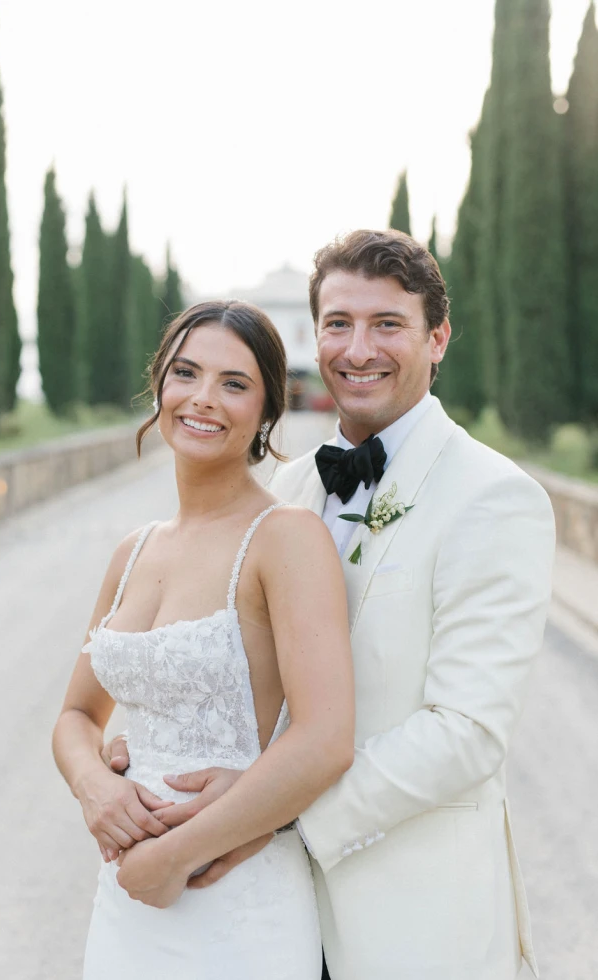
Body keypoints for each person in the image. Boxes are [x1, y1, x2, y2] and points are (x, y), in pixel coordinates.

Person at [105, 230, 556, 980]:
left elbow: (466, 734)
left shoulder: (494, 498)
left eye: (388, 325)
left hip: (412, 918)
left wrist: (269, 811)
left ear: (437, 338)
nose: (357, 349)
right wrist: (149, 747)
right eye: (338, 323)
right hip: (261, 914)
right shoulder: (287, 492)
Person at [52, 300, 355, 980]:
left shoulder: (283, 538)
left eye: (234, 383)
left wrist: (174, 855)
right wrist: (95, 787)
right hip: (126, 899)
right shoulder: (134, 549)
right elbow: (75, 718)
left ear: (267, 409)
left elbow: (325, 739)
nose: (202, 399)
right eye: (186, 373)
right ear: (158, 383)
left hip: (231, 897)